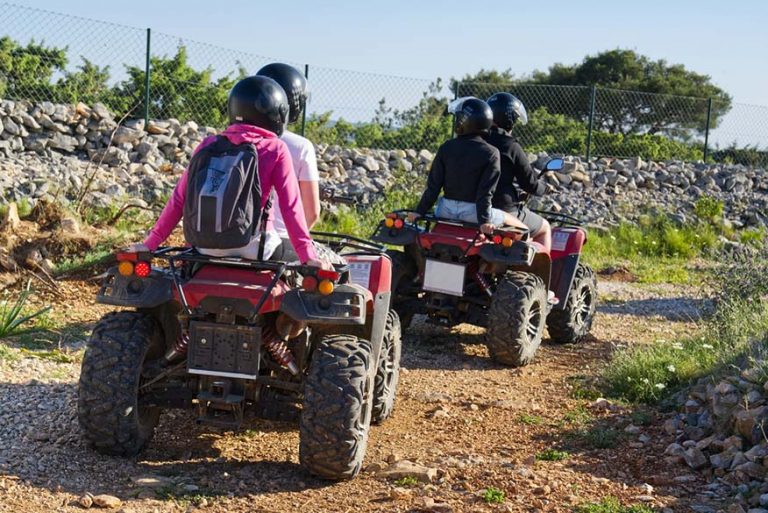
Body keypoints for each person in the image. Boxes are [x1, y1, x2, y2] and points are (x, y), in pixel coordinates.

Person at [126, 75, 327, 268]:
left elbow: (179, 200)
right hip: (255, 248)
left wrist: (150, 244)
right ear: (277, 114)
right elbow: (291, 207)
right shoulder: (275, 148)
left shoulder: (209, 144)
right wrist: (307, 256)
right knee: (295, 260)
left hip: (204, 248)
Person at [410, 97, 527, 234]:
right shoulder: (491, 153)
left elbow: (433, 187)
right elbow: (485, 193)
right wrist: (485, 221)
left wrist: (419, 212)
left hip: (444, 210)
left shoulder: (446, 147)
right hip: (473, 214)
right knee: (524, 230)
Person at [256, 63, 321, 262]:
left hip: (228, 241)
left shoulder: (227, 141)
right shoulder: (300, 146)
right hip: (278, 244)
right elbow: (312, 213)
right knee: (341, 265)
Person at [485, 92, 552, 251]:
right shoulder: (510, 146)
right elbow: (530, 184)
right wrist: (545, 188)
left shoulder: (477, 140)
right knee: (545, 228)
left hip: (474, 206)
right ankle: (539, 275)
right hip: (504, 209)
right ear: (510, 119)